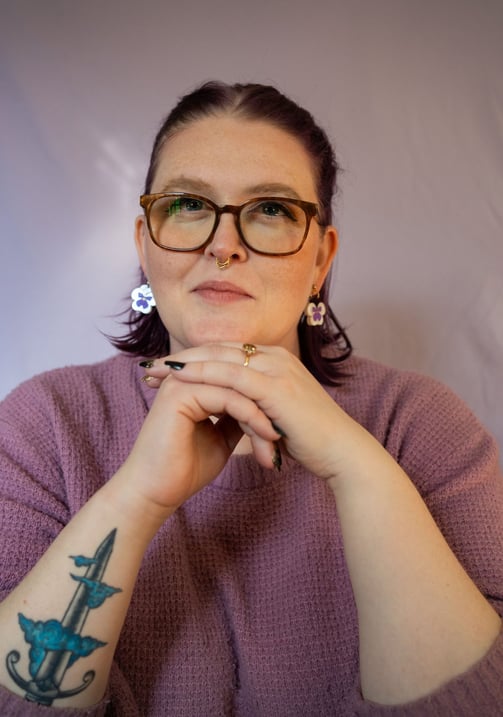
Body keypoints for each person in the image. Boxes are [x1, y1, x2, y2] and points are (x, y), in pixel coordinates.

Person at [0, 81, 502, 717]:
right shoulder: (42, 424)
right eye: (187, 203)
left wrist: (360, 470)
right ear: (144, 242)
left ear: (320, 259)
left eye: (270, 210)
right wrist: (137, 497)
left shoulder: (423, 425)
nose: (223, 244)